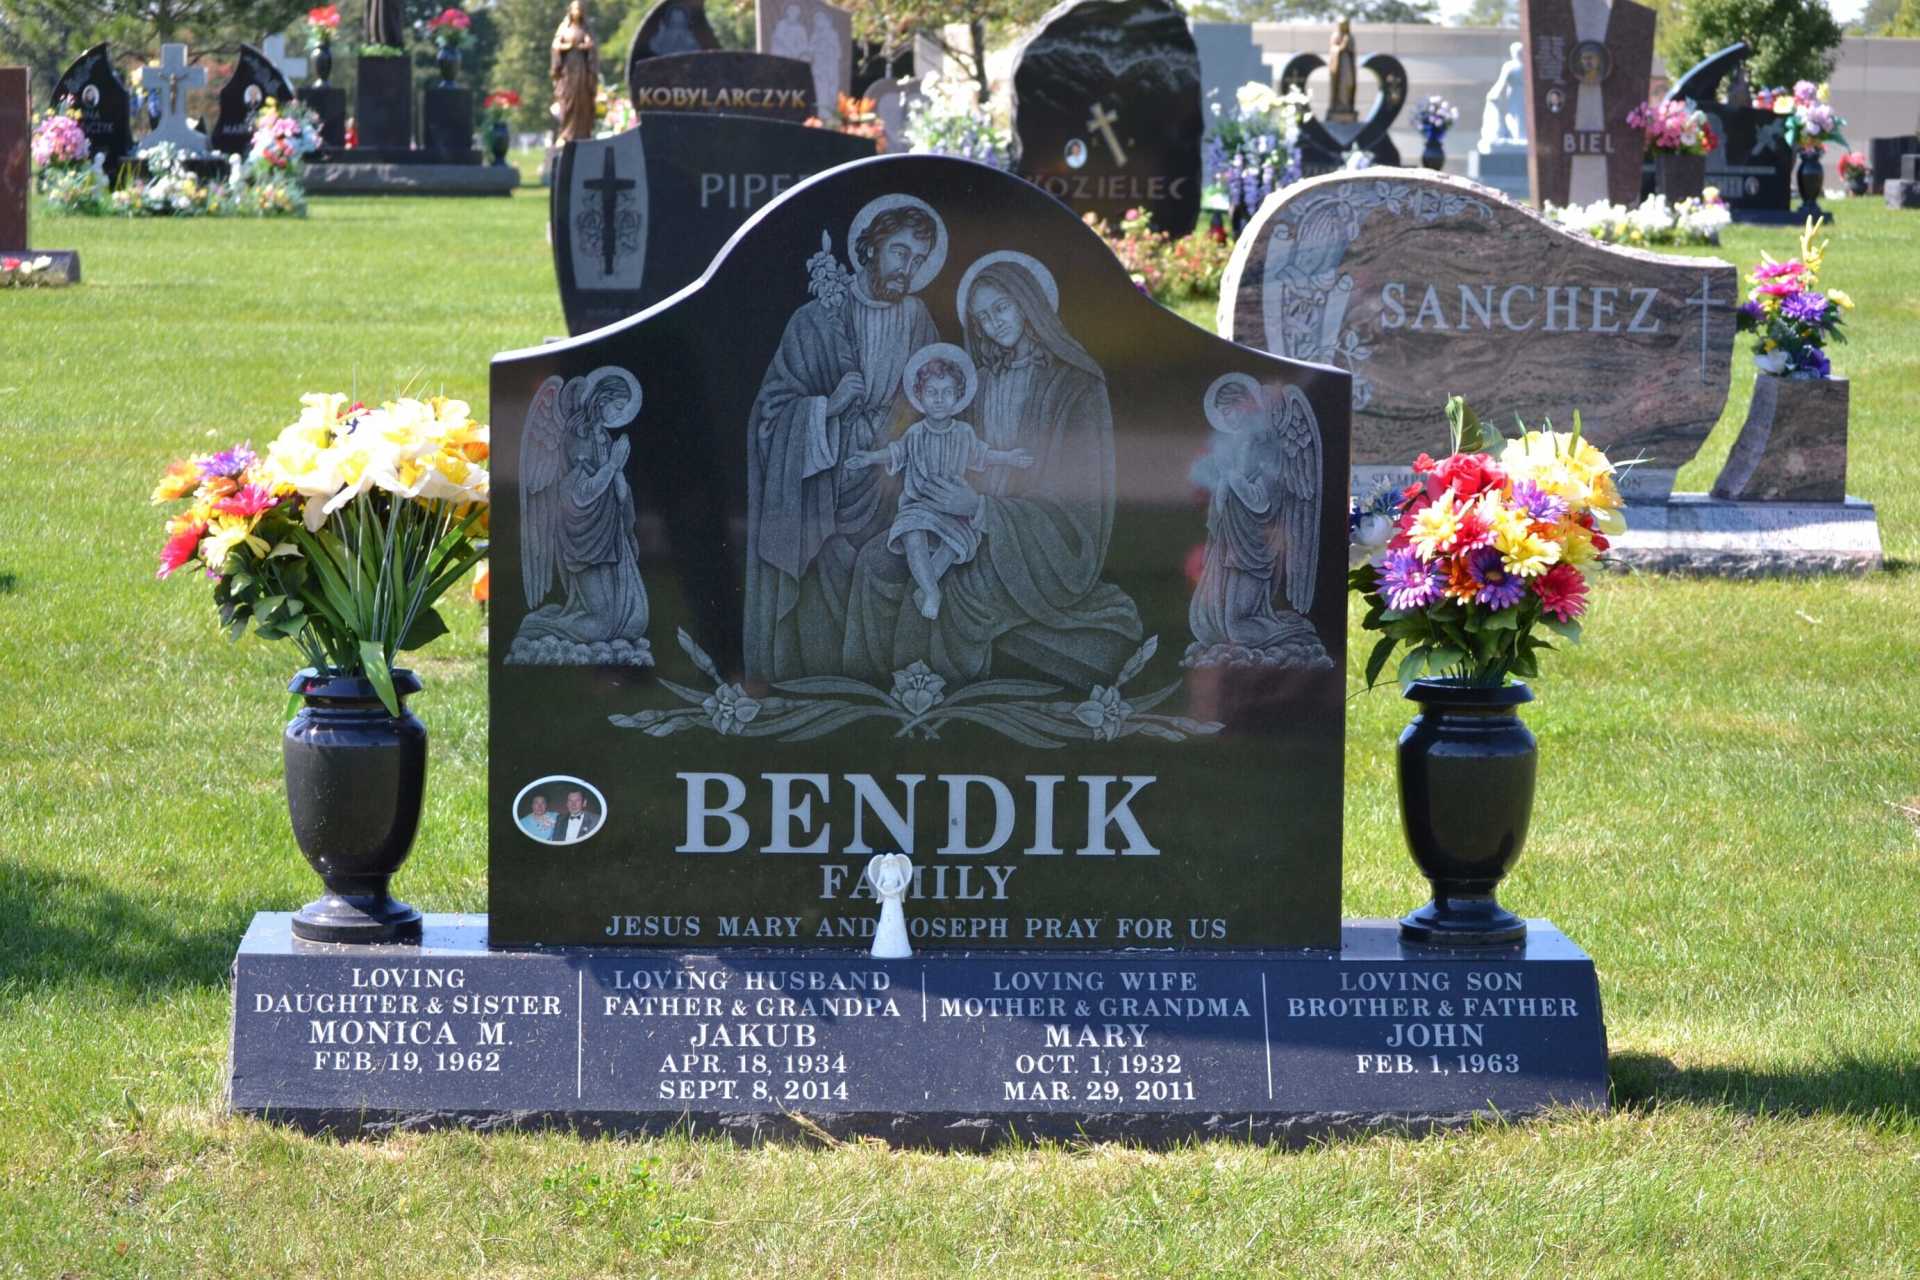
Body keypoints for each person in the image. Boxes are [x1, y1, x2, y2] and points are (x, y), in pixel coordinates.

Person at [843, 254, 1142, 687]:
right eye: (982, 317)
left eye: (1001, 308)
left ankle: (937, 719)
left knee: (943, 593)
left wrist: (983, 510)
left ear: (1028, 304)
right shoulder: (978, 383)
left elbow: (1077, 499)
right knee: (874, 562)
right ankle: (863, 706)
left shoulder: (1075, 385)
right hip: (959, 517)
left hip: (1031, 543)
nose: (993, 323)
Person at [744, 197, 943, 680]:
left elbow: (943, 399)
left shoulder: (918, 321)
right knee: (829, 560)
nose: (907, 269)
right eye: (900, 252)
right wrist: (825, 409)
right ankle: (826, 681)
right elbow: (769, 415)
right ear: (871, 247)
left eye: (918, 260)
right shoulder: (815, 321)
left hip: (895, 485)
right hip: (824, 490)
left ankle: (883, 683)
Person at [846, 347, 1033, 620]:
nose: (939, 400)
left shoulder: (964, 433)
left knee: (958, 542)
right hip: (919, 504)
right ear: (920, 396)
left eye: (947, 393)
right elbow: (897, 452)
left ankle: (927, 584)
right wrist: (869, 458)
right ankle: (932, 593)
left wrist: (1009, 458)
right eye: (932, 393)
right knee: (912, 533)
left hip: (953, 507)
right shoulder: (916, 433)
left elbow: (982, 454)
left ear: (958, 397)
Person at [550, 0, 599, 145]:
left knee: (581, 101)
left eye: (580, 9)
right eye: (575, 9)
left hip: (582, 71)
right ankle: (566, 133)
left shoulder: (585, 30)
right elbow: (556, 46)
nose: (578, 12)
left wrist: (587, 47)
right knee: (567, 101)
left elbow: (592, 46)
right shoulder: (564, 29)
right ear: (570, 11)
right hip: (567, 72)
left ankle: (582, 132)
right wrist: (567, 46)